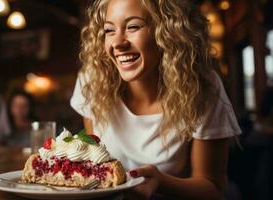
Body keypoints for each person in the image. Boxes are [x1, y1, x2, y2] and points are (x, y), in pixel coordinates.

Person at [70, 0, 241, 199]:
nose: (117, 43)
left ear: (168, 32)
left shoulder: (202, 88)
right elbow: (95, 166)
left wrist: (161, 182)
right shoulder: (92, 80)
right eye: (109, 30)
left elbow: (213, 189)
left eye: (133, 27)